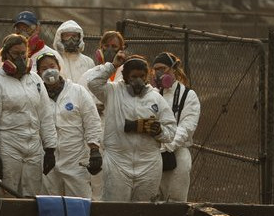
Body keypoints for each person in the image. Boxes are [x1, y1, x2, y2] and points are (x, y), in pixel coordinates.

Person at [85, 52, 176, 202]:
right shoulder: (112, 91)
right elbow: (93, 82)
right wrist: (113, 66)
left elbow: (171, 131)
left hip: (148, 164)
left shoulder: (155, 98)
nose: (138, 81)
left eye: (141, 76)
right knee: (115, 209)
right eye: (133, 77)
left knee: (143, 212)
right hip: (117, 162)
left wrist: (159, 131)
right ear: (126, 76)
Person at [0, 34, 58, 197]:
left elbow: (45, 115)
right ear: (5, 56)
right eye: (16, 54)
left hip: (34, 147)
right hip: (8, 146)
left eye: (24, 53)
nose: (21, 58)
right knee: (7, 194)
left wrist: (50, 149)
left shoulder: (35, 80)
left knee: (32, 195)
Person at [36, 51, 102, 199]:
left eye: (52, 66)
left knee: (79, 200)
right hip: (46, 158)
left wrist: (94, 149)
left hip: (75, 159)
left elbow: (92, 121)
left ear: (59, 67)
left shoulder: (77, 91)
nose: (49, 70)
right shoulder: (36, 94)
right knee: (50, 201)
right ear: (38, 72)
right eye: (44, 68)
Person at [153, 51, 201, 202]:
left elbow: (186, 128)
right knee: (151, 197)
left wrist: (166, 146)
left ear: (173, 69)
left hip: (176, 151)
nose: (159, 73)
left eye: (162, 68)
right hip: (153, 151)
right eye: (156, 69)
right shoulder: (152, 93)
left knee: (176, 199)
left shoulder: (188, 96)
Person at [52, 20, 95, 85]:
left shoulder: (88, 62)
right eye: (67, 36)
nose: (71, 40)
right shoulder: (54, 60)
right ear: (60, 38)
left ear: (80, 38)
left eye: (74, 36)